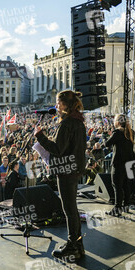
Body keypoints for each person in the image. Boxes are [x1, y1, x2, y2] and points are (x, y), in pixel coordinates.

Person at [34, 90, 86, 260]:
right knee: (72, 209)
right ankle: (77, 245)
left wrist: (40, 137)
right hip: (74, 169)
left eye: (58, 102)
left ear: (64, 105)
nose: (56, 106)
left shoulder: (67, 124)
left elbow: (58, 149)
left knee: (69, 210)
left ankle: (73, 246)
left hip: (66, 171)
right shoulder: (78, 122)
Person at [104, 114, 135, 216]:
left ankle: (117, 209)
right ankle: (126, 206)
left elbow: (107, 144)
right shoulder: (131, 132)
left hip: (119, 164)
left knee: (117, 186)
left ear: (117, 122)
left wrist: (106, 136)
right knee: (126, 185)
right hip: (129, 163)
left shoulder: (117, 132)